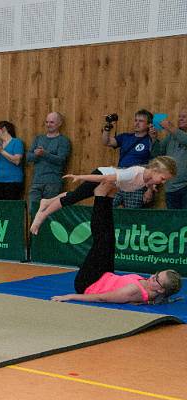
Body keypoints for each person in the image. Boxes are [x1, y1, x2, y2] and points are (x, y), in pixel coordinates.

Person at [51, 181, 181, 305]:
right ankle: (108, 197)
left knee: (101, 241)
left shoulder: (134, 292)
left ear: (161, 290)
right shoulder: (152, 288)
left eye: (157, 279)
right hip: (106, 275)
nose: (153, 276)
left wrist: (70, 296)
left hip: (89, 283)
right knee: (109, 238)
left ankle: (100, 196)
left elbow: (102, 298)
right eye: (157, 273)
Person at [30, 156, 177, 235]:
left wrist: (151, 187)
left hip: (107, 179)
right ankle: (42, 216)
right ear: (155, 170)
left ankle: (47, 201)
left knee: (76, 195)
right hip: (101, 175)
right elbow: (105, 179)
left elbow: (148, 181)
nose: (163, 182)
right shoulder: (134, 173)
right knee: (72, 199)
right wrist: (82, 177)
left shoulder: (149, 176)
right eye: (163, 179)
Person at [102, 109, 157, 208]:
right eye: (136, 120)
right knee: (106, 208)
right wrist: (107, 127)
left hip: (136, 183)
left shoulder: (150, 140)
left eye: (141, 121)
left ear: (149, 125)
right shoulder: (125, 137)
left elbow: (154, 166)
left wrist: (150, 189)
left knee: (132, 213)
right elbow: (107, 142)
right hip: (120, 179)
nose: (137, 123)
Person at [26, 112, 71, 211]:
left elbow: (61, 160)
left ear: (60, 123)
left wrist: (45, 154)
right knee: (32, 211)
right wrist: (36, 154)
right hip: (36, 181)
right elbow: (28, 157)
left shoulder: (63, 140)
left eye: (51, 122)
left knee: (48, 213)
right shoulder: (38, 138)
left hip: (53, 183)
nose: (48, 125)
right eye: (46, 122)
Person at [151, 111, 187, 209]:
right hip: (170, 188)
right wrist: (154, 139)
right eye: (179, 116)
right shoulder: (171, 137)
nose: (180, 119)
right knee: (174, 222)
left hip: (185, 187)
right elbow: (158, 154)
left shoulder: (174, 133)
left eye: (184, 117)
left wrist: (168, 126)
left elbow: (184, 139)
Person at [0, 121, 25, 200]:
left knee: (11, 208)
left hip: (13, 182)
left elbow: (17, 161)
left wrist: (1, 151)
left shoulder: (17, 142)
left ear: (3, 129)